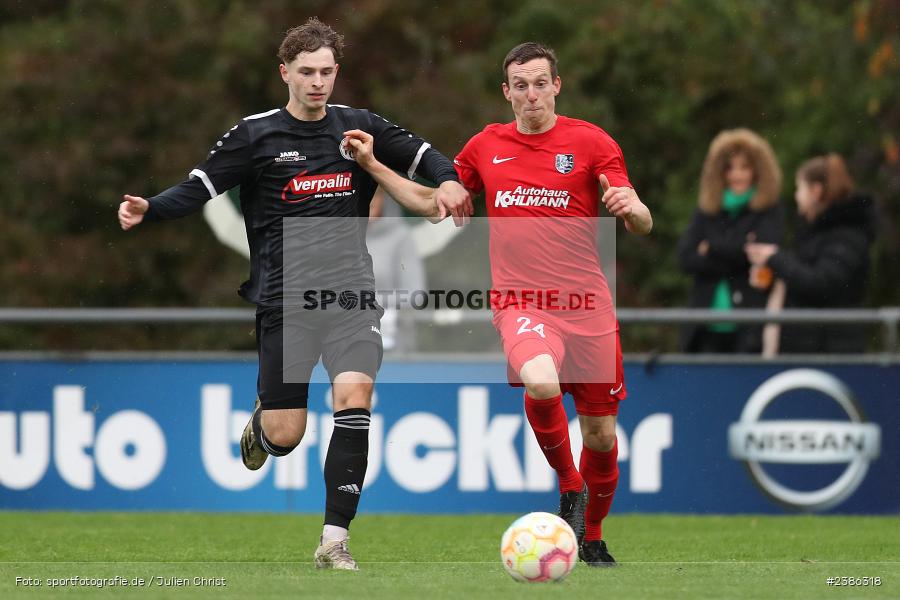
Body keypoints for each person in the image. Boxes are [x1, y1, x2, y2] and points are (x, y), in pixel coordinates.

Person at [117, 17, 468, 570]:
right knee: (287, 433)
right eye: (306, 72)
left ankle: (334, 541)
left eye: (327, 71)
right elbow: (200, 186)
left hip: (351, 298)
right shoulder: (256, 135)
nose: (318, 82)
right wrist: (152, 208)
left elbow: (422, 154)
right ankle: (265, 423)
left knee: (355, 400)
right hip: (286, 302)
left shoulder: (358, 127)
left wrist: (447, 178)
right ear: (285, 72)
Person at [347, 42, 652, 567]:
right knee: (540, 380)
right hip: (521, 301)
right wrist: (374, 164)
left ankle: (592, 534)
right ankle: (570, 488)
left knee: (601, 437)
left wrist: (636, 207)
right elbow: (428, 204)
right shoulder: (486, 147)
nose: (531, 94)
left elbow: (640, 221)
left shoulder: (592, 142)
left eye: (540, 83)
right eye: (520, 85)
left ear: (557, 85)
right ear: (505, 92)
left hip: (587, 306)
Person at [746, 153, 876, 353]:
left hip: (832, 350)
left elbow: (820, 283)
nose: (797, 195)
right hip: (808, 346)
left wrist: (775, 258)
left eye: (800, 188)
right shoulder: (814, 232)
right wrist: (770, 279)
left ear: (815, 191)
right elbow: (802, 281)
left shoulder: (847, 236)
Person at [677, 128, 783, 353]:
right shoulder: (707, 210)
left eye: (745, 167)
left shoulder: (768, 210)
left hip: (749, 324)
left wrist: (711, 248)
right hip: (704, 327)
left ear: (757, 171)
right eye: (730, 168)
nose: (737, 175)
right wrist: (739, 252)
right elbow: (685, 257)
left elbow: (764, 256)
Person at [367, 188, 427, 352]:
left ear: (384, 200)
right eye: (362, 195)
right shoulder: (338, 237)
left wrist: (364, 304)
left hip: (393, 348)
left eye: (373, 196)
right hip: (344, 343)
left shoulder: (401, 237)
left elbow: (416, 295)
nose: (368, 202)